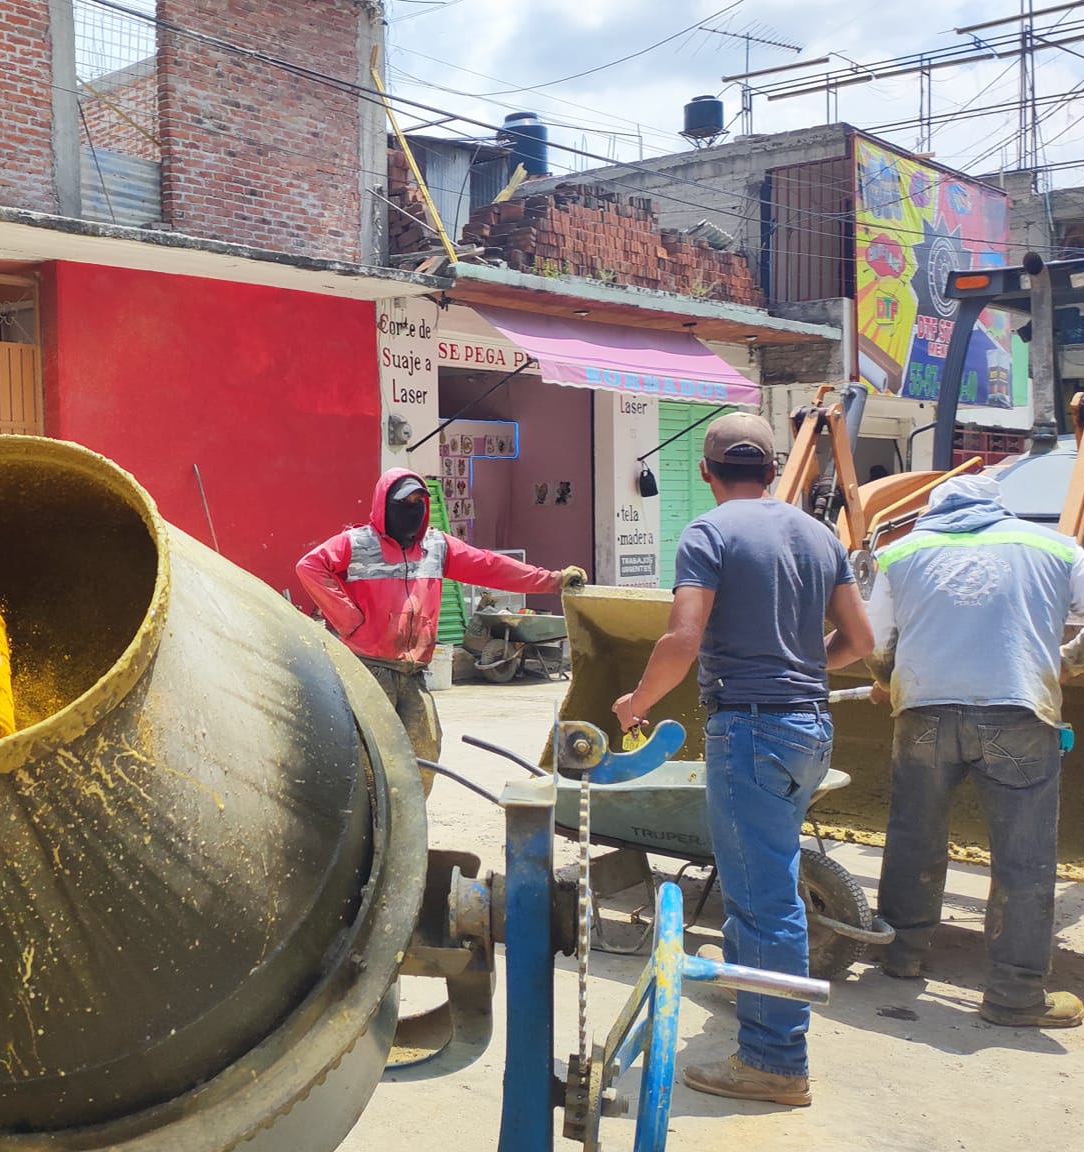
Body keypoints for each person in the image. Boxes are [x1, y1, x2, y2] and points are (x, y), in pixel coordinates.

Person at [611, 411, 873, 1107]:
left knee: (761, 902)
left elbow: (683, 637)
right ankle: (764, 1005)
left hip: (752, 731)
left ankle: (774, 1061)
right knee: (770, 886)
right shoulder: (820, 535)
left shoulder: (708, 532)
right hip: (811, 730)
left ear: (706, 472)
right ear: (772, 467)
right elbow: (861, 639)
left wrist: (638, 703)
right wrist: (801, 669)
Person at [864, 473, 1084, 1028]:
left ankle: (900, 955)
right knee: (1023, 857)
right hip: (1018, 713)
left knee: (914, 837)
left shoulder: (901, 551)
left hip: (924, 715)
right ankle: (1014, 996)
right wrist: (1071, 659)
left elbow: (874, 643)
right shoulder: (1055, 548)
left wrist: (887, 677)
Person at [297, 467, 584, 767]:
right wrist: (351, 622)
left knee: (425, 753)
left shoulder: (436, 547)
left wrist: (552, 580)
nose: (413, 510)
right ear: (385, 505)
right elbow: (310, 567)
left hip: (414, 672)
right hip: (369, 669)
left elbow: (490, 566)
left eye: (419, 502)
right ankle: (372, 814)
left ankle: (411, 813)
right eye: (405, 503)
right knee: (370, 758)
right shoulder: (356, 543)